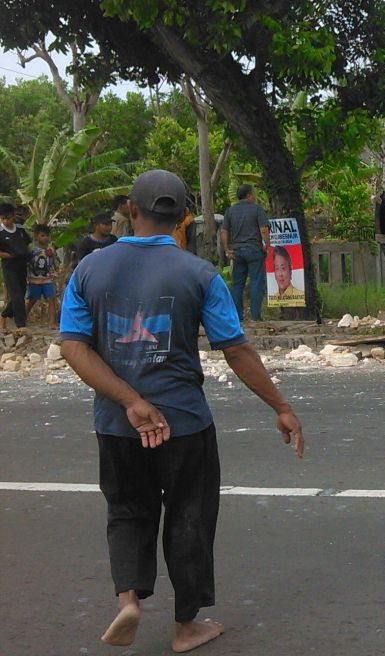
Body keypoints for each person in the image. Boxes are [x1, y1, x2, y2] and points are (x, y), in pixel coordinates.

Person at [60, 170, 303, 653]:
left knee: (127, 511)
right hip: (185, 422)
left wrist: (130, 401)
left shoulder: (89, 269)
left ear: (131, 210)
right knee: (189, 516)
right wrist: (281, 407)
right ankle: (186, 625)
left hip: (117, 423)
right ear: (184, 217)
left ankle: (128, 598)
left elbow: (73, 347)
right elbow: (235, 351)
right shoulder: (201, 274)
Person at [219, 185, 270, 322]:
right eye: (253, 194)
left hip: (237, 253)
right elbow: (264, 230)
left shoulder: (230, 211)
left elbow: (224, 231)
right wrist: (267, 246)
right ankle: (255, 316)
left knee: (237, 285)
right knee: (256, 283)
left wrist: (227, 250)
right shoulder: (257, 209)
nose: (254, 196)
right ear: (248, 195)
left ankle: (237, 317)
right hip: (254, 251)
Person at [0, 202, 32, 334]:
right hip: (9, 266)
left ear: (13, 216)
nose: (6, 221)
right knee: (16, 295)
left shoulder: (20, 228)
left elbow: (27, 243)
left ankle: (3, 315)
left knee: (20, 294)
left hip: (22, 264)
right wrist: (8, 255)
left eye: (8, 218)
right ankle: (21, 325)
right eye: (3, 218)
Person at [26, 223, 59, 329]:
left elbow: (54, 260)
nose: (45, 238)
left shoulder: (51, 248)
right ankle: (22, 319)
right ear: (36, 236)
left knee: (51, 299)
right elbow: (26, 261)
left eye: (47, 236)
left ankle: (52, 322)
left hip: (47, 279)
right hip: (34, 280)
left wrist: (56, 270)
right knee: (32, 300)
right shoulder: (31, 248)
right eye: (42, 235)